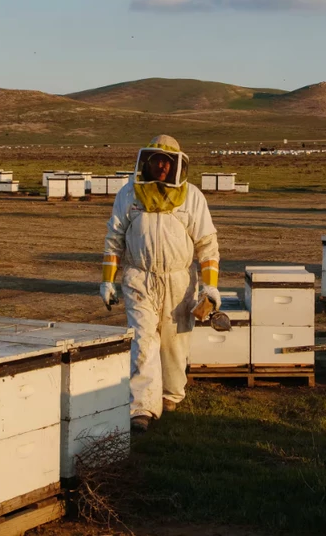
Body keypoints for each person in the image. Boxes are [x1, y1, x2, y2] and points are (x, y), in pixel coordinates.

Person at [100, 135, 220, 432]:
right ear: (147, 161)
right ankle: (142, 408)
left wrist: (210, 286)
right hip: (139, 278)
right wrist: (107, 281)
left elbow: (207, 244)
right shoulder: (129, 193)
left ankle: (170, 395)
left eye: (168, 161)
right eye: (157, 160)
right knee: (143, 341)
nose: (162, 166)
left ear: (178, 164)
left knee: (175, 343)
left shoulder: (192, 197)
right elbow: (114, 239)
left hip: (179, 281)